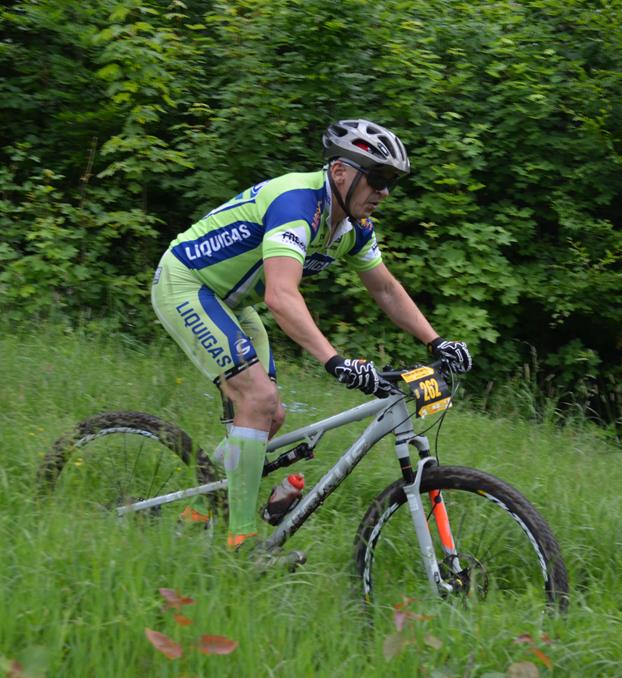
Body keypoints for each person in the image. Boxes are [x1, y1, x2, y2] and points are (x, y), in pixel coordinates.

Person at [150, 119, 472, 550]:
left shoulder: (354, 227)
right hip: (186, 284)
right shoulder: (297, 202)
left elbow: (385, 289)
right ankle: (241, 542)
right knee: (258, 398)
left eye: (391, 182)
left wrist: (437, 341)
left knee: (270, 414)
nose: (384, 192)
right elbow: (281, 295)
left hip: (231, 301)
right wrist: (335, 360)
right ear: (339, 171)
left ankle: (197, 513)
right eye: (377, 178)